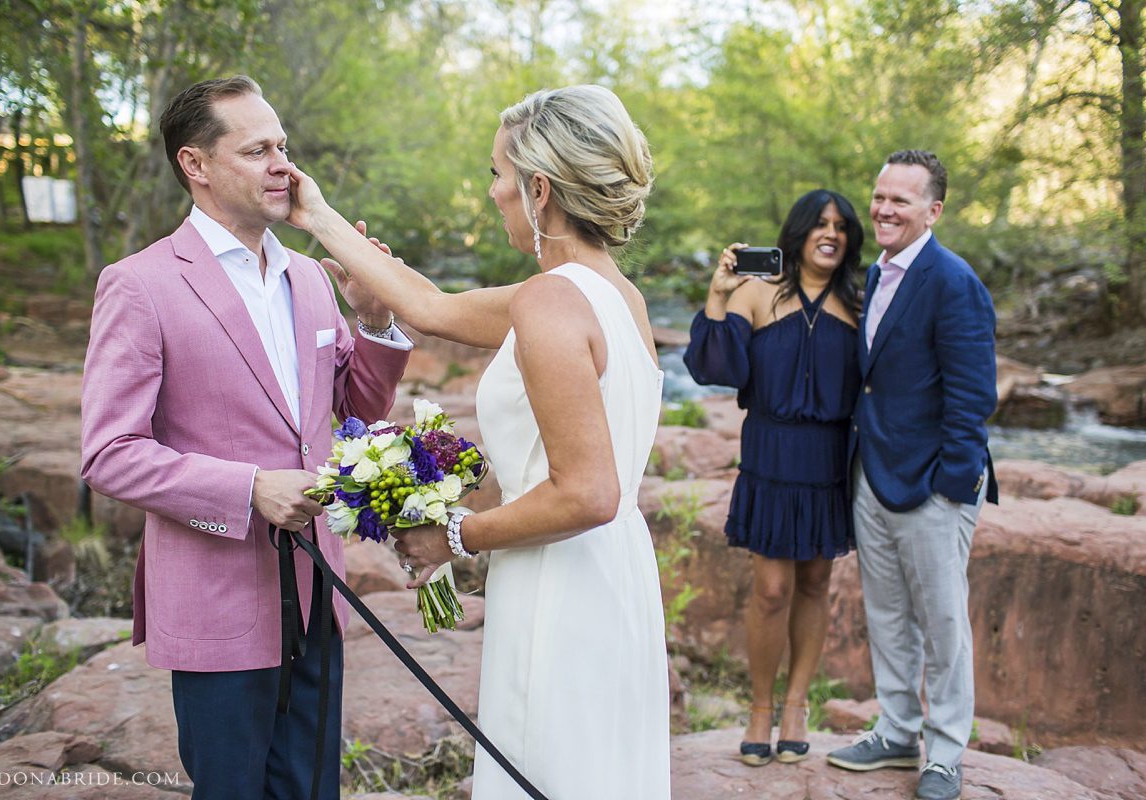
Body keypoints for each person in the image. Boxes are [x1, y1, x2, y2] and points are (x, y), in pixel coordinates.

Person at [285, 84, 670, 800]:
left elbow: (587, 491)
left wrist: (453, 535)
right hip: (611, 574)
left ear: (539, 189)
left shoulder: (552, 300)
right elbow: (427, 307)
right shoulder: (615, 296)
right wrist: (318, 216)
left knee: (550, 768)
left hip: (562, 581)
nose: (491, 192)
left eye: (497, 173)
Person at [80, 75, 411, 800]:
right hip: (216, 600)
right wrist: (249, 489)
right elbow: (108, 454)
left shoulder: (312, 278)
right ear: (195, 164)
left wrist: (377, 319)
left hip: (317, 589)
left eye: (284, 148)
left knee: (312, 789)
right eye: (257, 149)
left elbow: (353, 411)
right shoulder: (139, 285)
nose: (282, 168)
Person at [825, 150, 998, 800]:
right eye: (880, 196)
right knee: (888, 613)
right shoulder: (876, 272)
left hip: (931, 483)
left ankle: (946, 752)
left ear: (933, 210)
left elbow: (973, 394)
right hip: (874, 473)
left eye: (901, 199)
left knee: (944, 622)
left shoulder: (952, 281)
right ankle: (897, 731)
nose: (884, 209)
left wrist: (953, 486)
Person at [683, 190, 864, 766]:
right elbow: (716, 369)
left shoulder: (859, 302)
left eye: (839, 226)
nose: (829, 233)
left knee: (815, 584)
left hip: (830, 457)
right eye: (819, 225)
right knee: (771, 590)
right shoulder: (757, 293)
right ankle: (759, 708)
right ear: (799, 233)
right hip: (769, 455)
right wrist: (717, 295)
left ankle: (796, 705)